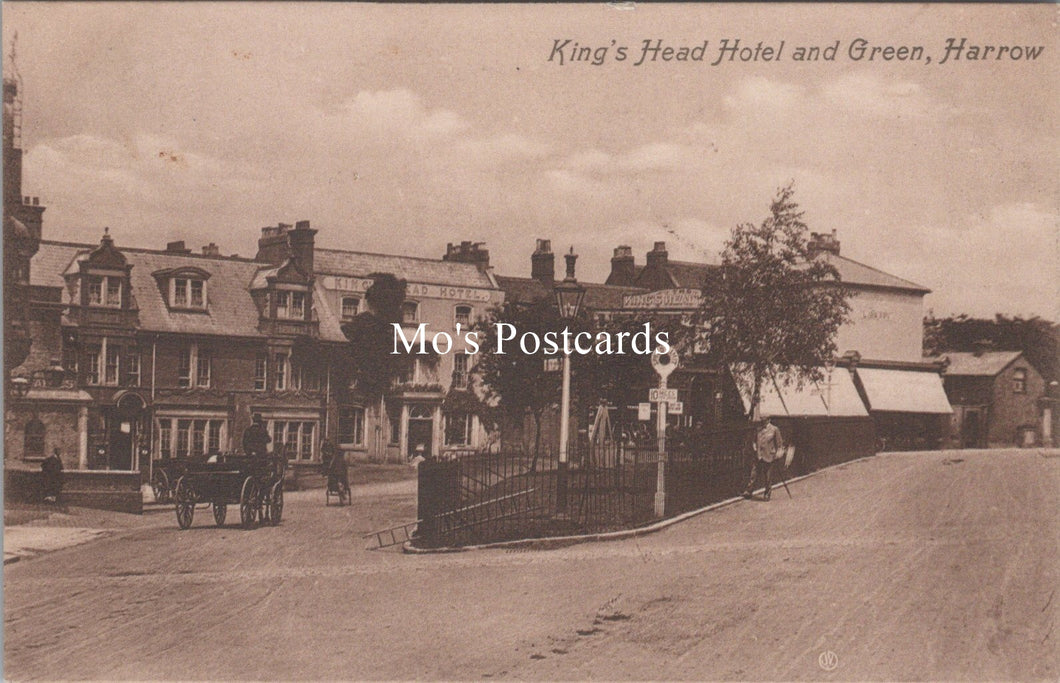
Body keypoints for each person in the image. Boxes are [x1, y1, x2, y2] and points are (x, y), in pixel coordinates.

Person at [743, 416, 784, 501]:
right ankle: (749, 491)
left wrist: (777, 454)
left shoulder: (774, 429)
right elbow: (754, 440)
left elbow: (779, 444)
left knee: (768, 477)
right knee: (753, 474)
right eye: (762, 420)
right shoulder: (758, 429)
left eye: (764, 420)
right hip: (758, 456)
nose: (762, 422)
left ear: (769, 420)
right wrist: (755, 448)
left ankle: (767, 494)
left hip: (769, 456)